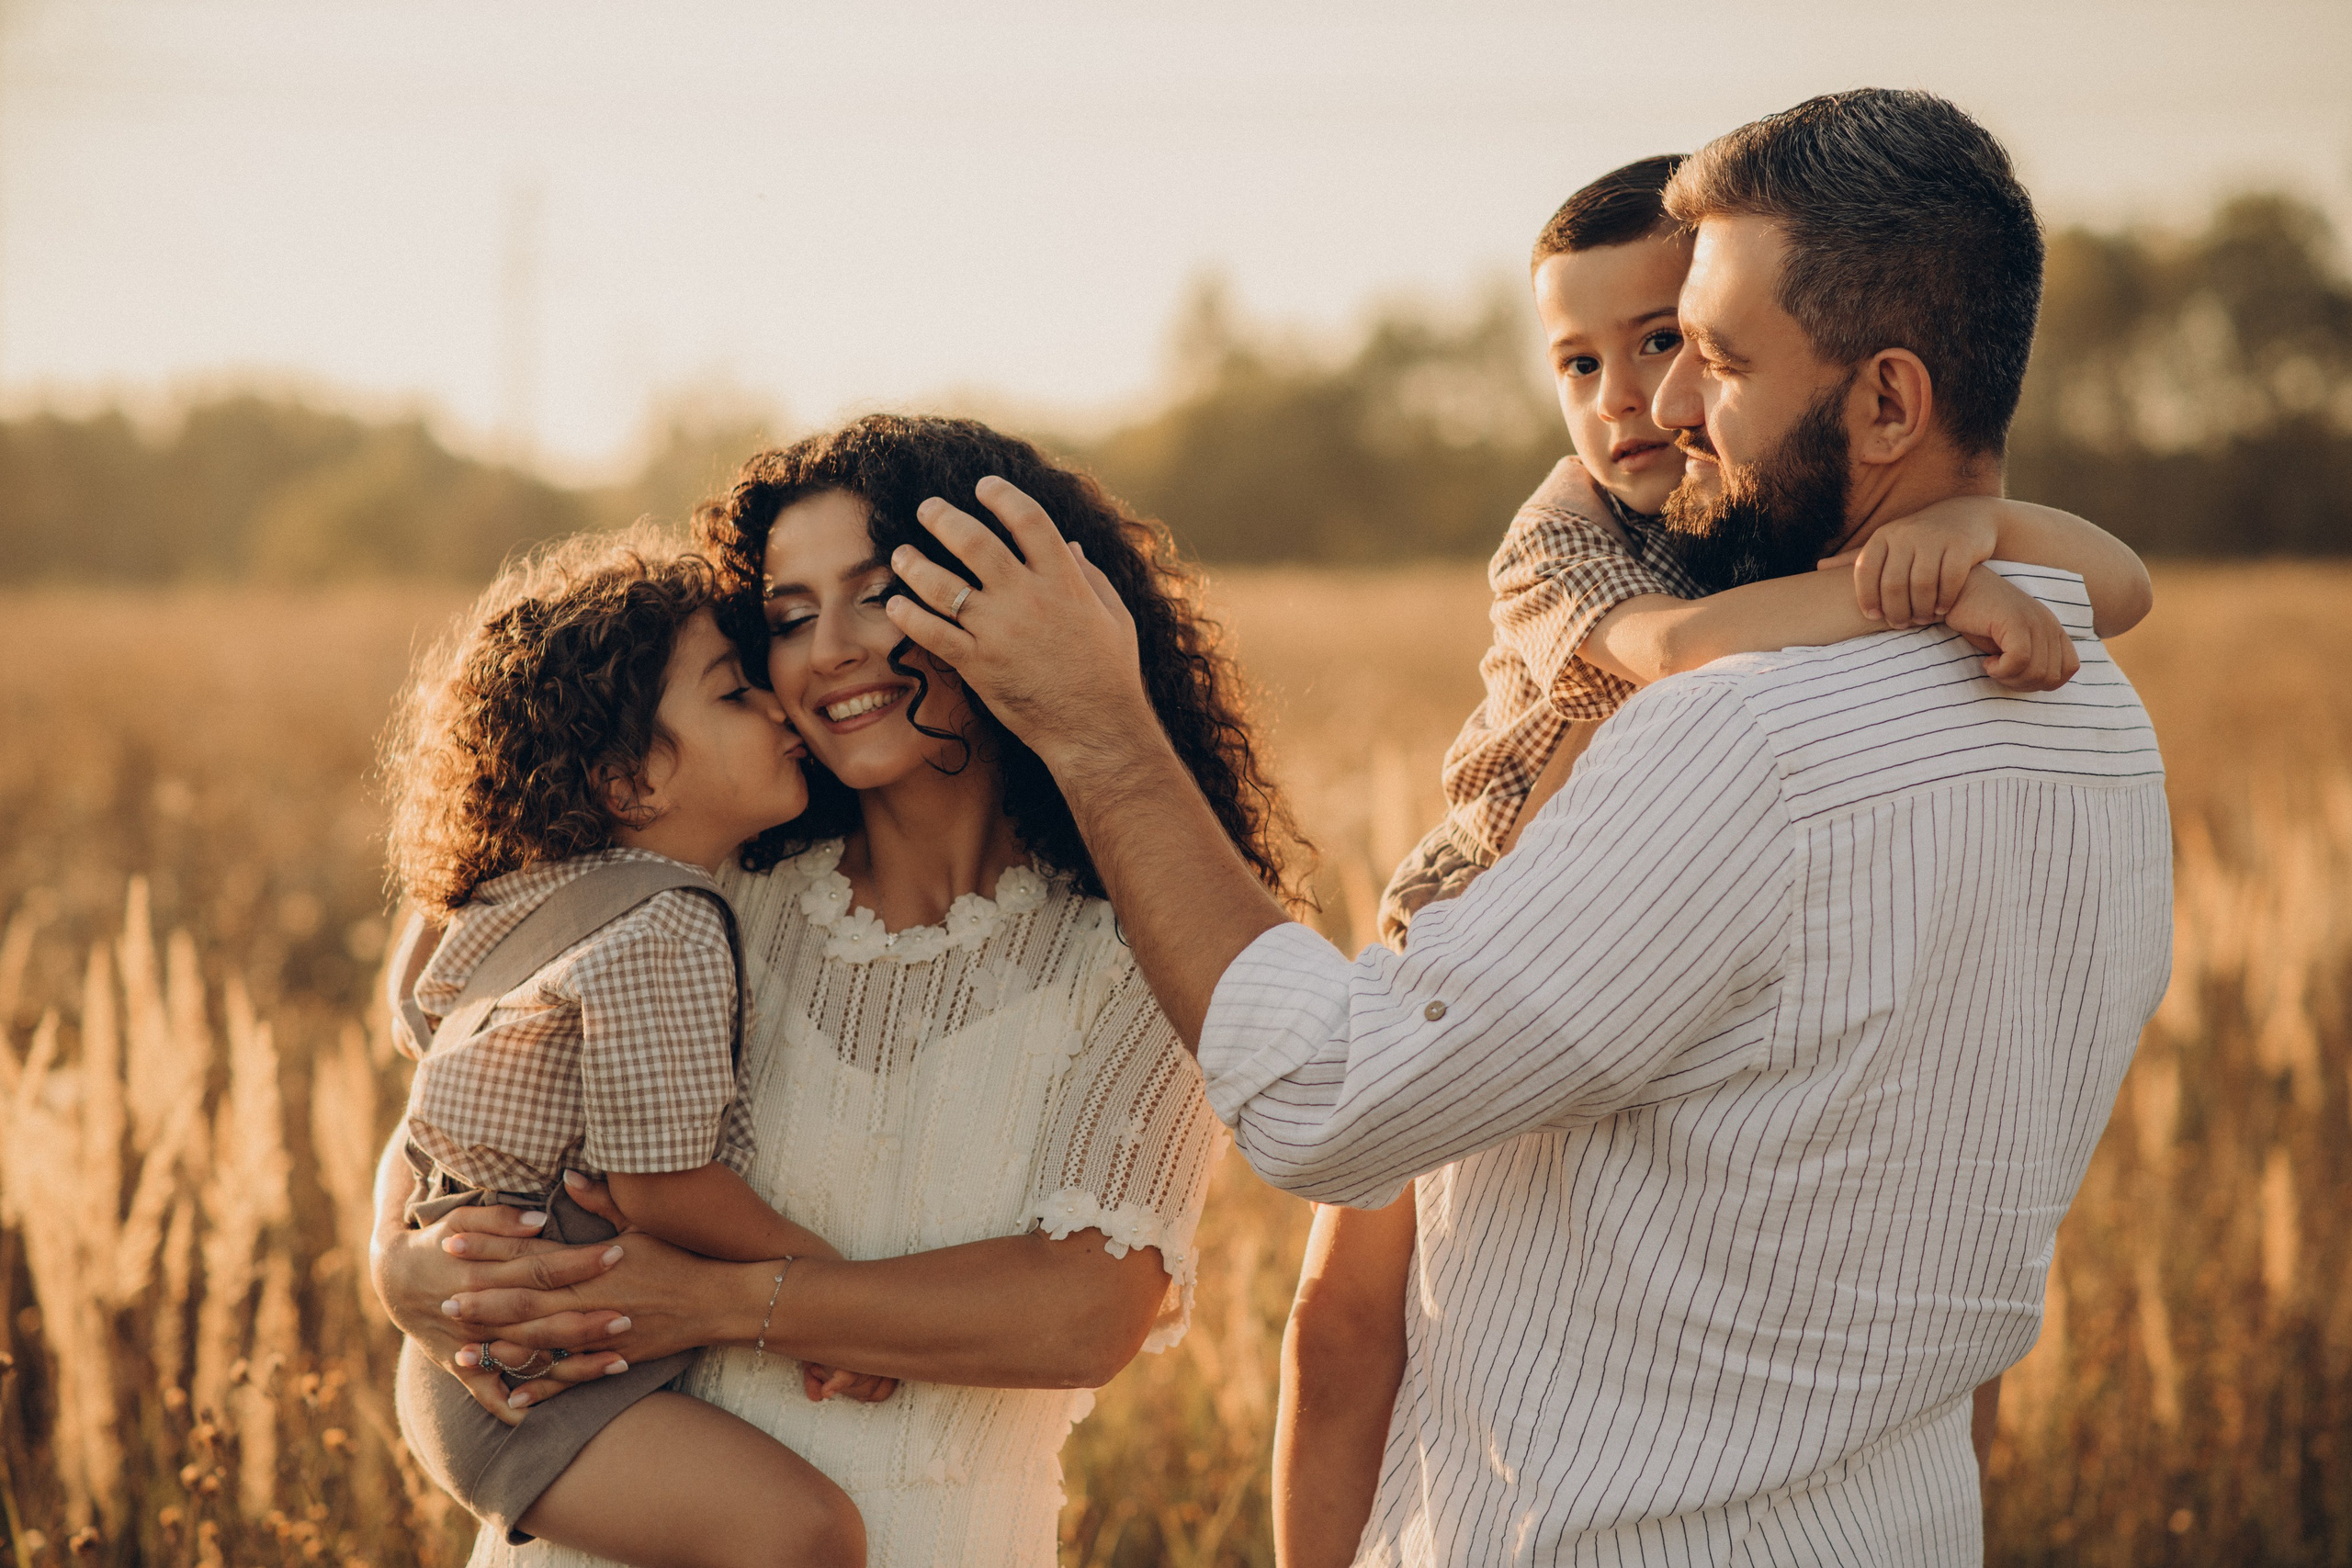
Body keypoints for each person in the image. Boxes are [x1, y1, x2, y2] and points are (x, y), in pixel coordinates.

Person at [874, 89, 2172, 1564]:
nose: (1668, 407)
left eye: (1715, 356)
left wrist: (1103, 727)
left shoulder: (1739, 737)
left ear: (1887, 400)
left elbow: (1328, 1100)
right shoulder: (2100, 723)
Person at [1279, 153, 2158, 1563]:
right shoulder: (1566, 532)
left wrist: (1968, 529)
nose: (1636, 400)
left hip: (1646, 947)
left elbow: (2125, 582)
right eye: (1578, 361)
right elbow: (1681, 655)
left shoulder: (1761, 507)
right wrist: (1929, 595)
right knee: (1350, 1311)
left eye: (1670, 343)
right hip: (1472, 907)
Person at [368, 414, 1288, 1568]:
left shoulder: (1145, 944)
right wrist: (402, 1262)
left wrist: (719, 1302)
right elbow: (472, 1070)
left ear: (1004, 604)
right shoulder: (704, 890)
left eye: (878, 595)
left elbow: (1080, 1312)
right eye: (789, 619)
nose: (829, 651)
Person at [378, 534, 868, 1567]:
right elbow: (661, 1190)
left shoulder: (539, 894)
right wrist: (830, 1298)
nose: (781, 708)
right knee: (805, 1535)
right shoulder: (669, 926)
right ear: (629, 782)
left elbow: (418, 1029)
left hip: (473, 1346)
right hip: (535, 1375)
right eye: (736, 696)